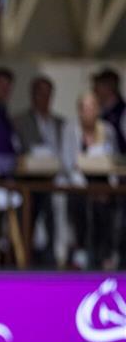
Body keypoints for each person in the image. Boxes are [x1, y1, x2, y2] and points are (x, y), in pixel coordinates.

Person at [62, 91, 121, 269]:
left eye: (93, 107)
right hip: (79, 184)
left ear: (98, 109)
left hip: (102, 184)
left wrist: (110, 186)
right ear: (79, 110)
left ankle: (106, 254)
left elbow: (113, 160)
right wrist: (85, 187)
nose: (89, 112)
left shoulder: (107, 130)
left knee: (106, 210)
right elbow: (67, 162)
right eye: (85, 108)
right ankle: (81, 250)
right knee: (80, 207)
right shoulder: (71, 130)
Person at [13, 76, 65, 265]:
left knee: (53, 220)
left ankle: (52, 258)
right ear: (32, 95)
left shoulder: (60, 123)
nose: (44, 98)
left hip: (54, 180)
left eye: (48, 94)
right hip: (29, 181)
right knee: (27, 220)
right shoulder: (20, 121)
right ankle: (25, 259)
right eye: (40, 93)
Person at [92, 67, 126, 155]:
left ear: (109, 86)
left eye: (98, 85)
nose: (94, 90)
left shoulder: (123, 112)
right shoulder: (100, 113)